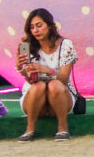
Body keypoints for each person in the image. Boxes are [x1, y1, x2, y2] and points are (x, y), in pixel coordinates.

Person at [15, 8, 78, 142]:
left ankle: (62, 127)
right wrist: (21, 68)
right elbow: (30, 80)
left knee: (55, 84)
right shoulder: (26, 46)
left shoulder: (65, 44)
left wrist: (46, 70)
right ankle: (29, 128)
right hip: (36, 97)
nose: (36, 30)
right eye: (32, 27)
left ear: (50, 26)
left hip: (61, 95)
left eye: (39, 26)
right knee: (38, 86)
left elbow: (64, 78)